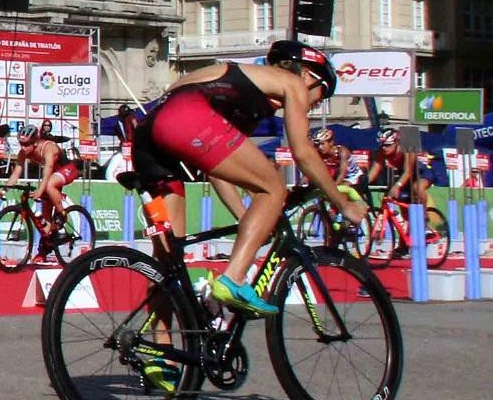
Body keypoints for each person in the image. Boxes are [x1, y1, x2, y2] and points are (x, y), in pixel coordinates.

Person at [135, 40, 364, 318]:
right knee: (274, 188)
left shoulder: (245, 95)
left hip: (148, 132)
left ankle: (160, 357)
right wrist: (342, 203)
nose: (315, 104)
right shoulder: (292, 83)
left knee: (168, 261)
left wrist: (247, 218)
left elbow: (216, 171)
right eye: (322, 94)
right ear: (306, 75)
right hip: (183, 116)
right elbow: (303, 152)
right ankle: (233, 279)